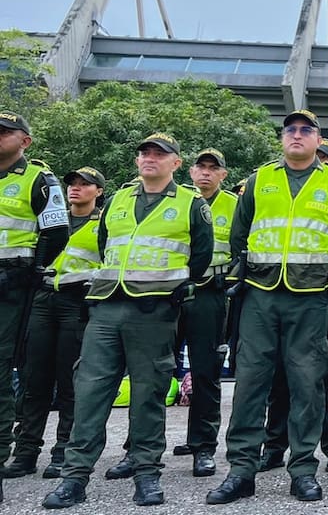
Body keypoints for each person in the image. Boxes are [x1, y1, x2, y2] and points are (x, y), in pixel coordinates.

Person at [42, 133, 213, 508]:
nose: (149, 158)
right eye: (144, 153)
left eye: (159, 154)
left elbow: (201, 257)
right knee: (89, 393)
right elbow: (106, 248)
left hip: (153, 312)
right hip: (106, 308)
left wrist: (172, 292)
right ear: (137, 161)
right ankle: (75, 478)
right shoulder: (118, 198)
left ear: (175, 163)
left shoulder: (190, 204)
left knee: (148, 396)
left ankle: (146, 474)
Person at [206, 110, 328, 504]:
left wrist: (325, 271)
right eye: (290, 130)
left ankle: (304, 470)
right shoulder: (260, 179)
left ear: (316, 139)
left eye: (305, 130)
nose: (297, 135)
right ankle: (241, 470)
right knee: (250, 384)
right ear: (282, 138)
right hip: (260, 292)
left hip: (309, 297)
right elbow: (241, 232)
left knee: (307, 385)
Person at [260, 138, 328, 475]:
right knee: (282, 376)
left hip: (326, 297)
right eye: (321, 157)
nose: (323, 163)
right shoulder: (285, 188)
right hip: (287, 293)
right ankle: (274, 445)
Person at [8, 165, 96, 480]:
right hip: (43, 299)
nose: (76, 188)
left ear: (98, 192)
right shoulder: (48, 217)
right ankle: (26, 452)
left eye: (85, 184)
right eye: (72, 182)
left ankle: (63, 453)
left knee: (70, 382)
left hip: (76, 303)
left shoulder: (102, 224)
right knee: (34, 381)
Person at [0, 110, 69, 486]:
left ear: (24, 141)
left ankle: (5, 449)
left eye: (5, 132)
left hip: (11, 284)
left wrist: (31, 270)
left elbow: (56, 231)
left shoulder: (39, 179)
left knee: (3, 367)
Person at [169, 149, 239, 478]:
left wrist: (233, 281)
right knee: (154, 373)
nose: (206, 173)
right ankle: (142, 447)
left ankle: (203, 447)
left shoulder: (236, 206)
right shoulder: (176, 200)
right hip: (168, 294)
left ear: (223, 175)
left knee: (205, 373)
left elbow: (245, 247)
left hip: (210, 294)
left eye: (214, 168)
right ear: (191, 171)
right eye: (201, 167)